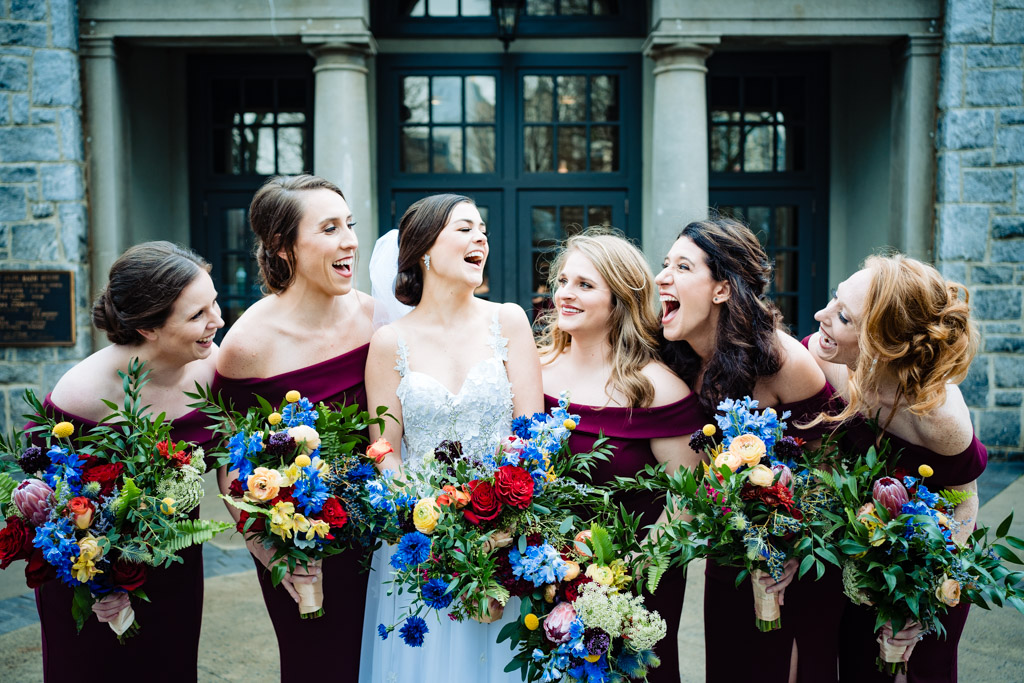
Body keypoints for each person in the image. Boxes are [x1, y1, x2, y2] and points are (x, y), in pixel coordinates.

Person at [360, 193, 543, 681]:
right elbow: (384, 449)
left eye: (482, 229)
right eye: (464, 228)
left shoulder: (508, 320)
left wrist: (498, 516)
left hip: (507, 535)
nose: (480, 237)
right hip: (424, 542)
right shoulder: (389, 342)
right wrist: (429, 518)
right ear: (424, 249)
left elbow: (532, 430)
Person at [655, 215, 838, 683]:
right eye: (664, 265)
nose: (662, 277)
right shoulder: (671, 356)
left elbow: (831, 465)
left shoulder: (780, 361)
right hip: (729, 554)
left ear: (721, 290)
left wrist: (790, 544)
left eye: (682, 267)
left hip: (796, 562)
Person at [213, 175, 376, 682]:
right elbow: (227, 460)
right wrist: (265, 545)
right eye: (329, 229)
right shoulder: (248, 345)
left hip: (386, 534)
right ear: (283, 248)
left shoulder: (375, 316)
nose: (349, 240)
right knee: (317, 665)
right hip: (304, 544)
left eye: (349, 225)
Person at [38, 241, 224, 682]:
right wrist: (96, 580)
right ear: (147, 328)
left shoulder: (215, 368)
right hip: (89, 577)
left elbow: (230, 461)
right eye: (197, 315)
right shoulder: (82, 393)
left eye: (214, 304)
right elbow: (48, 503)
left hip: (175, 565)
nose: (217, 321)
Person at [805, 254, 984, 683]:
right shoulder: (827, 357)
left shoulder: (938, 418)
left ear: (886, 344)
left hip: (926, 562)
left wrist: (924, 595)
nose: (820, 316)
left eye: (843, 317)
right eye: (834, 299)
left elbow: (966, 506)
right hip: (863, 558)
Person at [537, 229, 703, 683]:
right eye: (564, 281)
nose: (565, 294)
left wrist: (622, 578)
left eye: (585, 285)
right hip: (546, 574)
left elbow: (685, 501)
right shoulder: (535, 371)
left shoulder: (657, 388)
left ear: (621, 300)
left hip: (639, 582)